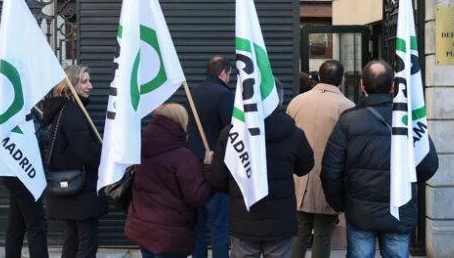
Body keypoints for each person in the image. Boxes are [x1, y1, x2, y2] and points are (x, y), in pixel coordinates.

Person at [321, 60, 438, 258]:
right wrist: (407, 181)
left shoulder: (348, 121)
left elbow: (330, 171)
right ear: (393, 86)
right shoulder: (408, 121)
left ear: (362, 86)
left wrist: (342, 204)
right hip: (399, 209)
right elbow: (428, 163)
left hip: (360, 213)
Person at [211, 80, 315, 258]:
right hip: (280, 222)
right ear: (278, 100)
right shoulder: (293, 133)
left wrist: (239, 188)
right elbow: (305, 166)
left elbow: (217, 180)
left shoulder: (230, 134)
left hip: (244, 219)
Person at [126, 103, 214, 258]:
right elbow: (197, 197)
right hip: (169, 234)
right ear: (181, 122)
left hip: (142, 228)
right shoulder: (183, 157)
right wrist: (208, 169)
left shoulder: (139, 147)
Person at [286, 60, 354, 258]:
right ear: (341, 80)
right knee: (323, 235)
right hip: (329, 181)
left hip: (297, 179)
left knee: (299, 232)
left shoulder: (297, 102)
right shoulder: (347, 107)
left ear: (319, 76)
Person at [42, 65, 109, 258]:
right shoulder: (72, 112)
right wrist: (105, 162)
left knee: (71, 241)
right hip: (82, 190)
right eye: (84, 81)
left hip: (71, 188)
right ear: (71, 84)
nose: (90, 86)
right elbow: (85, 151)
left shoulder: (62, 110)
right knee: (86, 244)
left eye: (90, 81)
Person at [188, 56, 235, 258]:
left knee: (197, 226)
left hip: (192, 170)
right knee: (219, 226)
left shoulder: (192, 94)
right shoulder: (225, 95)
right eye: (230, 75)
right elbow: (232, 132)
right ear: (223, 73)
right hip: (217, 170)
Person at [2, 107, 50, 258]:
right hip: (23, 172)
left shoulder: (12, 104)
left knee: (17, 224)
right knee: (37, 224)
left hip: (14, 170)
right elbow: (36, 135)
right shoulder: (23, 106)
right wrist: (54, 130)